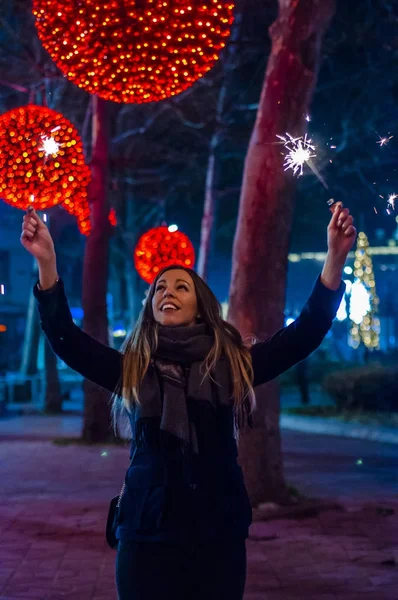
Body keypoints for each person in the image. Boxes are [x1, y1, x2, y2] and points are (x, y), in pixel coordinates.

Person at [21, 203, 356, 600]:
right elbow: (65, 337)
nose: (168, 292)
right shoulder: (133, 368)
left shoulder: (230, 365)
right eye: (161, 288)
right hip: (147, 531)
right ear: (151, 307)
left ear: (200, 307)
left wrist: (335, 257)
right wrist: (47, 262)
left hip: (217, 531)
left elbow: (305, 333)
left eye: (181, 287)